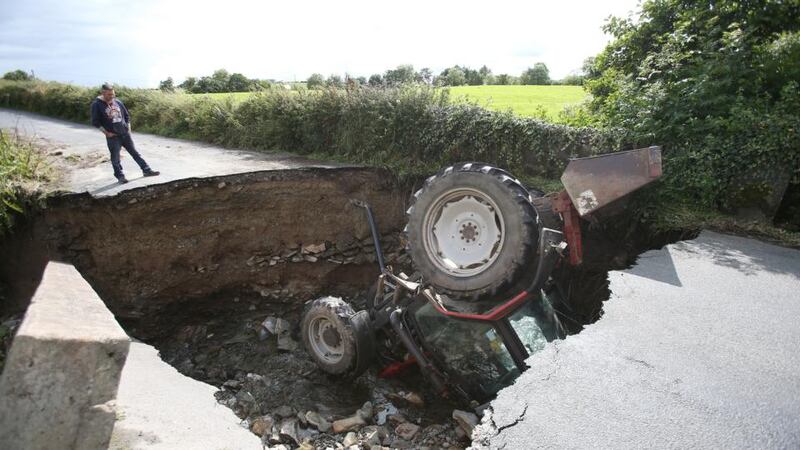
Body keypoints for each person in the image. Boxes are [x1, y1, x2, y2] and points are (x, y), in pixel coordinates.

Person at [90, 83, 159, 183]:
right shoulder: (96, 105)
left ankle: (147, 170)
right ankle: (120, 176)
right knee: (115, 158)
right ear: (103, 93)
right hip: (113, 137)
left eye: (113, 94)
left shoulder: (117, 102)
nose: (112, 96)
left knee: (135, 153)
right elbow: (95, 122)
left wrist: (129, 129)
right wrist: (106, 133)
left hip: (125, 134)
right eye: (109, 94)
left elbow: (127, 116)